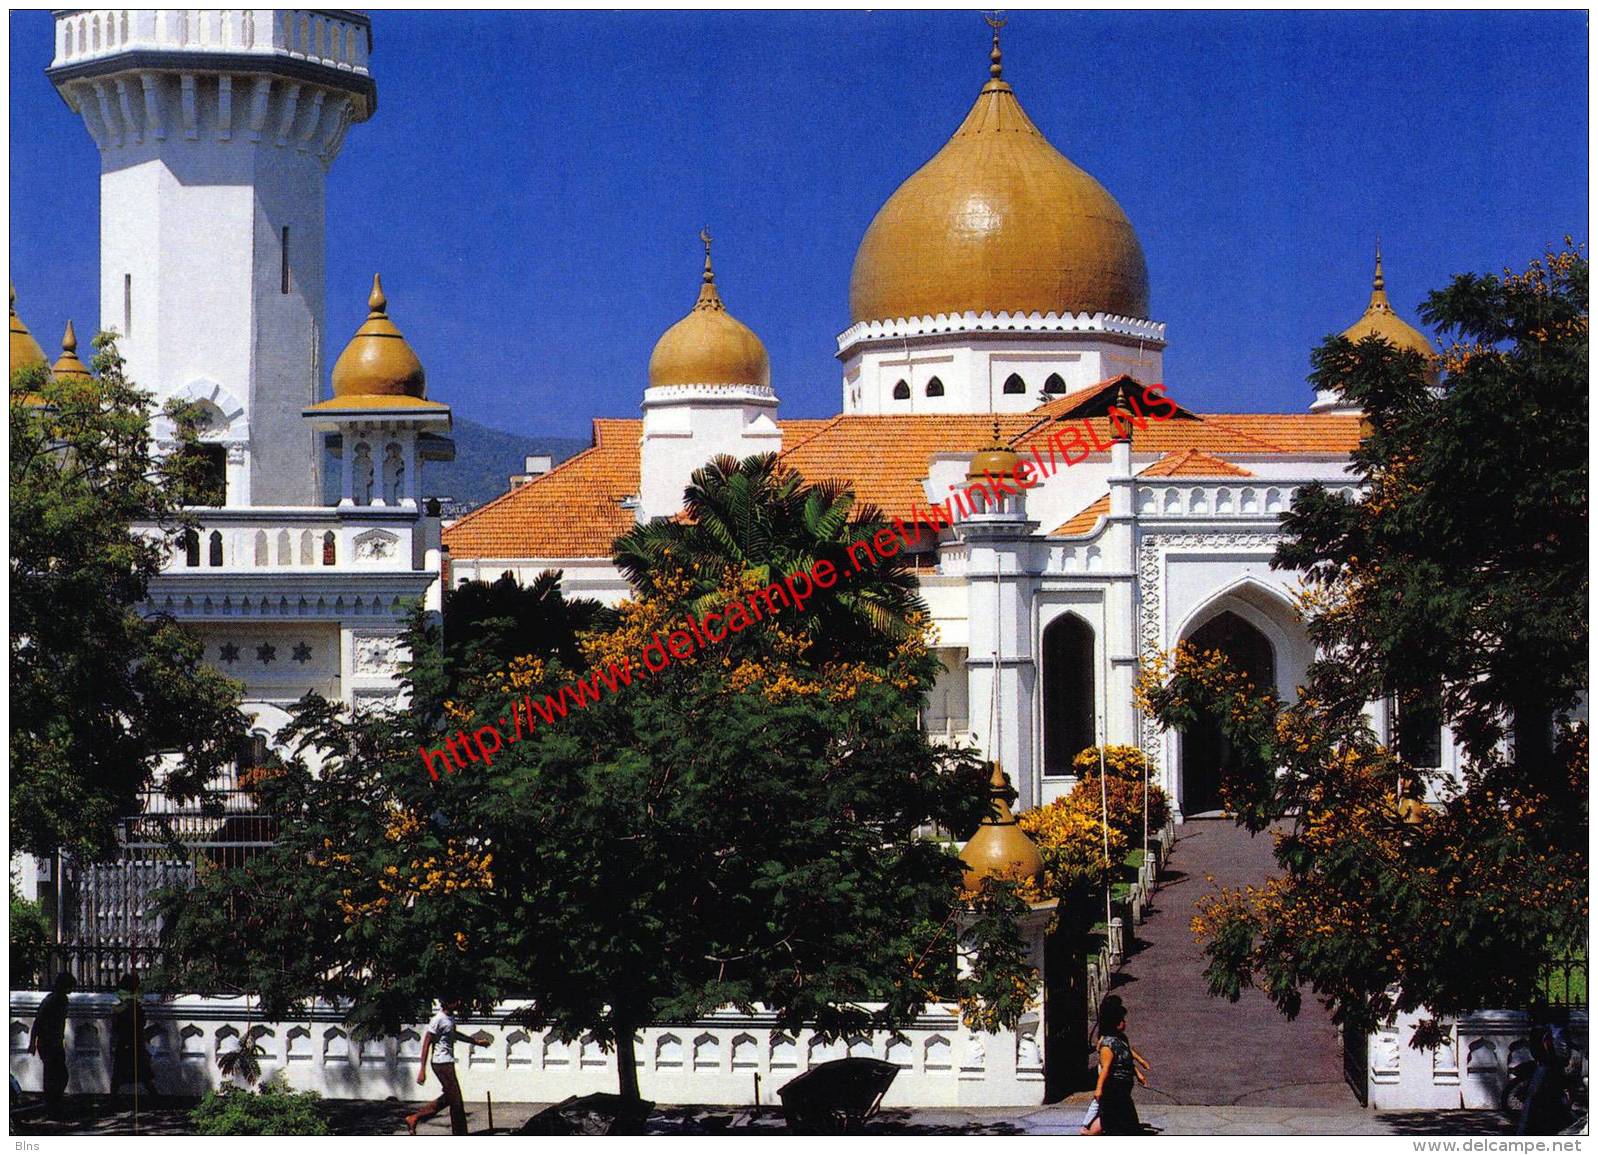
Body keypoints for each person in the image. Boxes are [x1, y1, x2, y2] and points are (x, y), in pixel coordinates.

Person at [406, 999, 490, 1136]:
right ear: (446, 1003)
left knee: (450, 1098)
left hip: (447, 1062)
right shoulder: (437, 1020)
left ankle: (414, 1118)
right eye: (455, 1001)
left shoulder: (450, 1018)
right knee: (456, 1101)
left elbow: (455, 1034)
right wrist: (422, 1070)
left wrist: (476, 1042)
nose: (458, 1003)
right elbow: (426, 1043)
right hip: (440, 1063)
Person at [1091, 997, 1145, 1135]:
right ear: (1115, 1023)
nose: (1125, 1023)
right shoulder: (1108, 1044)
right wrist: (1098, 1089)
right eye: (1122, 1020)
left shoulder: (1121, 1040)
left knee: (1119, 1119)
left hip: (1123, 1085)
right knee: (1119, 1121)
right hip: (1114, 1086)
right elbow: (1105, 1069)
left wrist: (1138, 1072)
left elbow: (1127, 1059)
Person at [28, 972, 75, 1116]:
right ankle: (52, 1105)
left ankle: (53, 1104)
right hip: (48, 1043)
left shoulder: (60, 1000)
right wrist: (32, 1043)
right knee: (55, 1075)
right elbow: (38, 1021)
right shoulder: (54, 1000)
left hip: (53, 1042)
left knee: (57, 1075)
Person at [110, 971, 155, 1107]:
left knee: (120, 1073)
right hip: (131, 1042)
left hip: (125, 1042)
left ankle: (113, 1098)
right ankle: (154, 1097)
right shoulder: (131, 1004)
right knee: (140, 1072)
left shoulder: (122, 1003)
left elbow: (116, 1024)